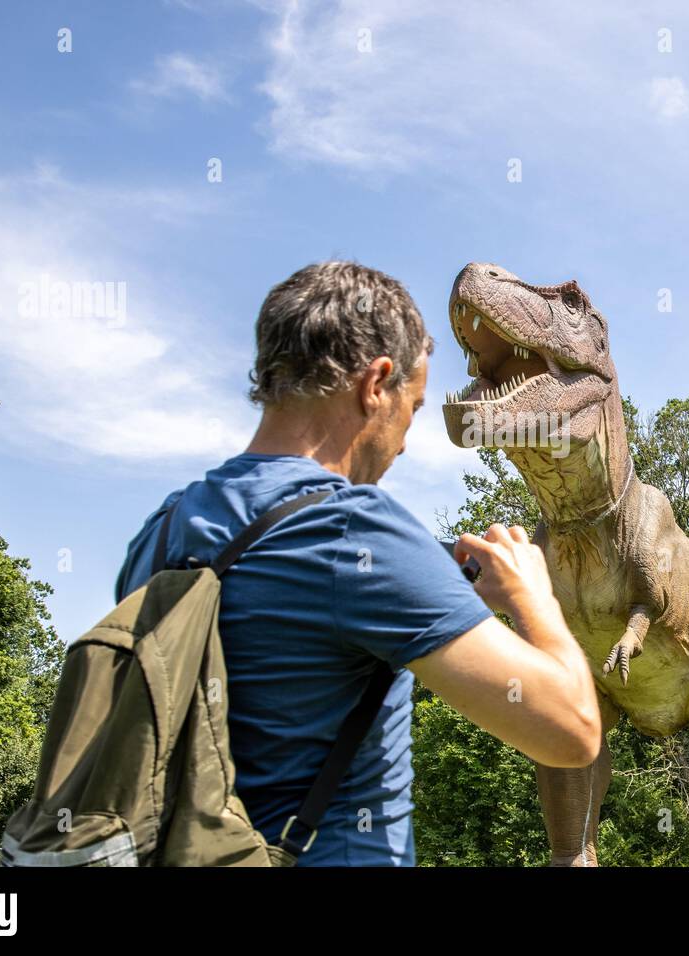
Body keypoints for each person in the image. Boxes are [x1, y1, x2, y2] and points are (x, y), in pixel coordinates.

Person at [115, 261, 600, 866]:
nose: (402, 442)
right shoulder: (355, 528)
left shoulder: (161, 531)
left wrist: (428, 596)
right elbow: (572, 729)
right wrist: (534, 597)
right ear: (376, 384)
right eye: (414, 409)